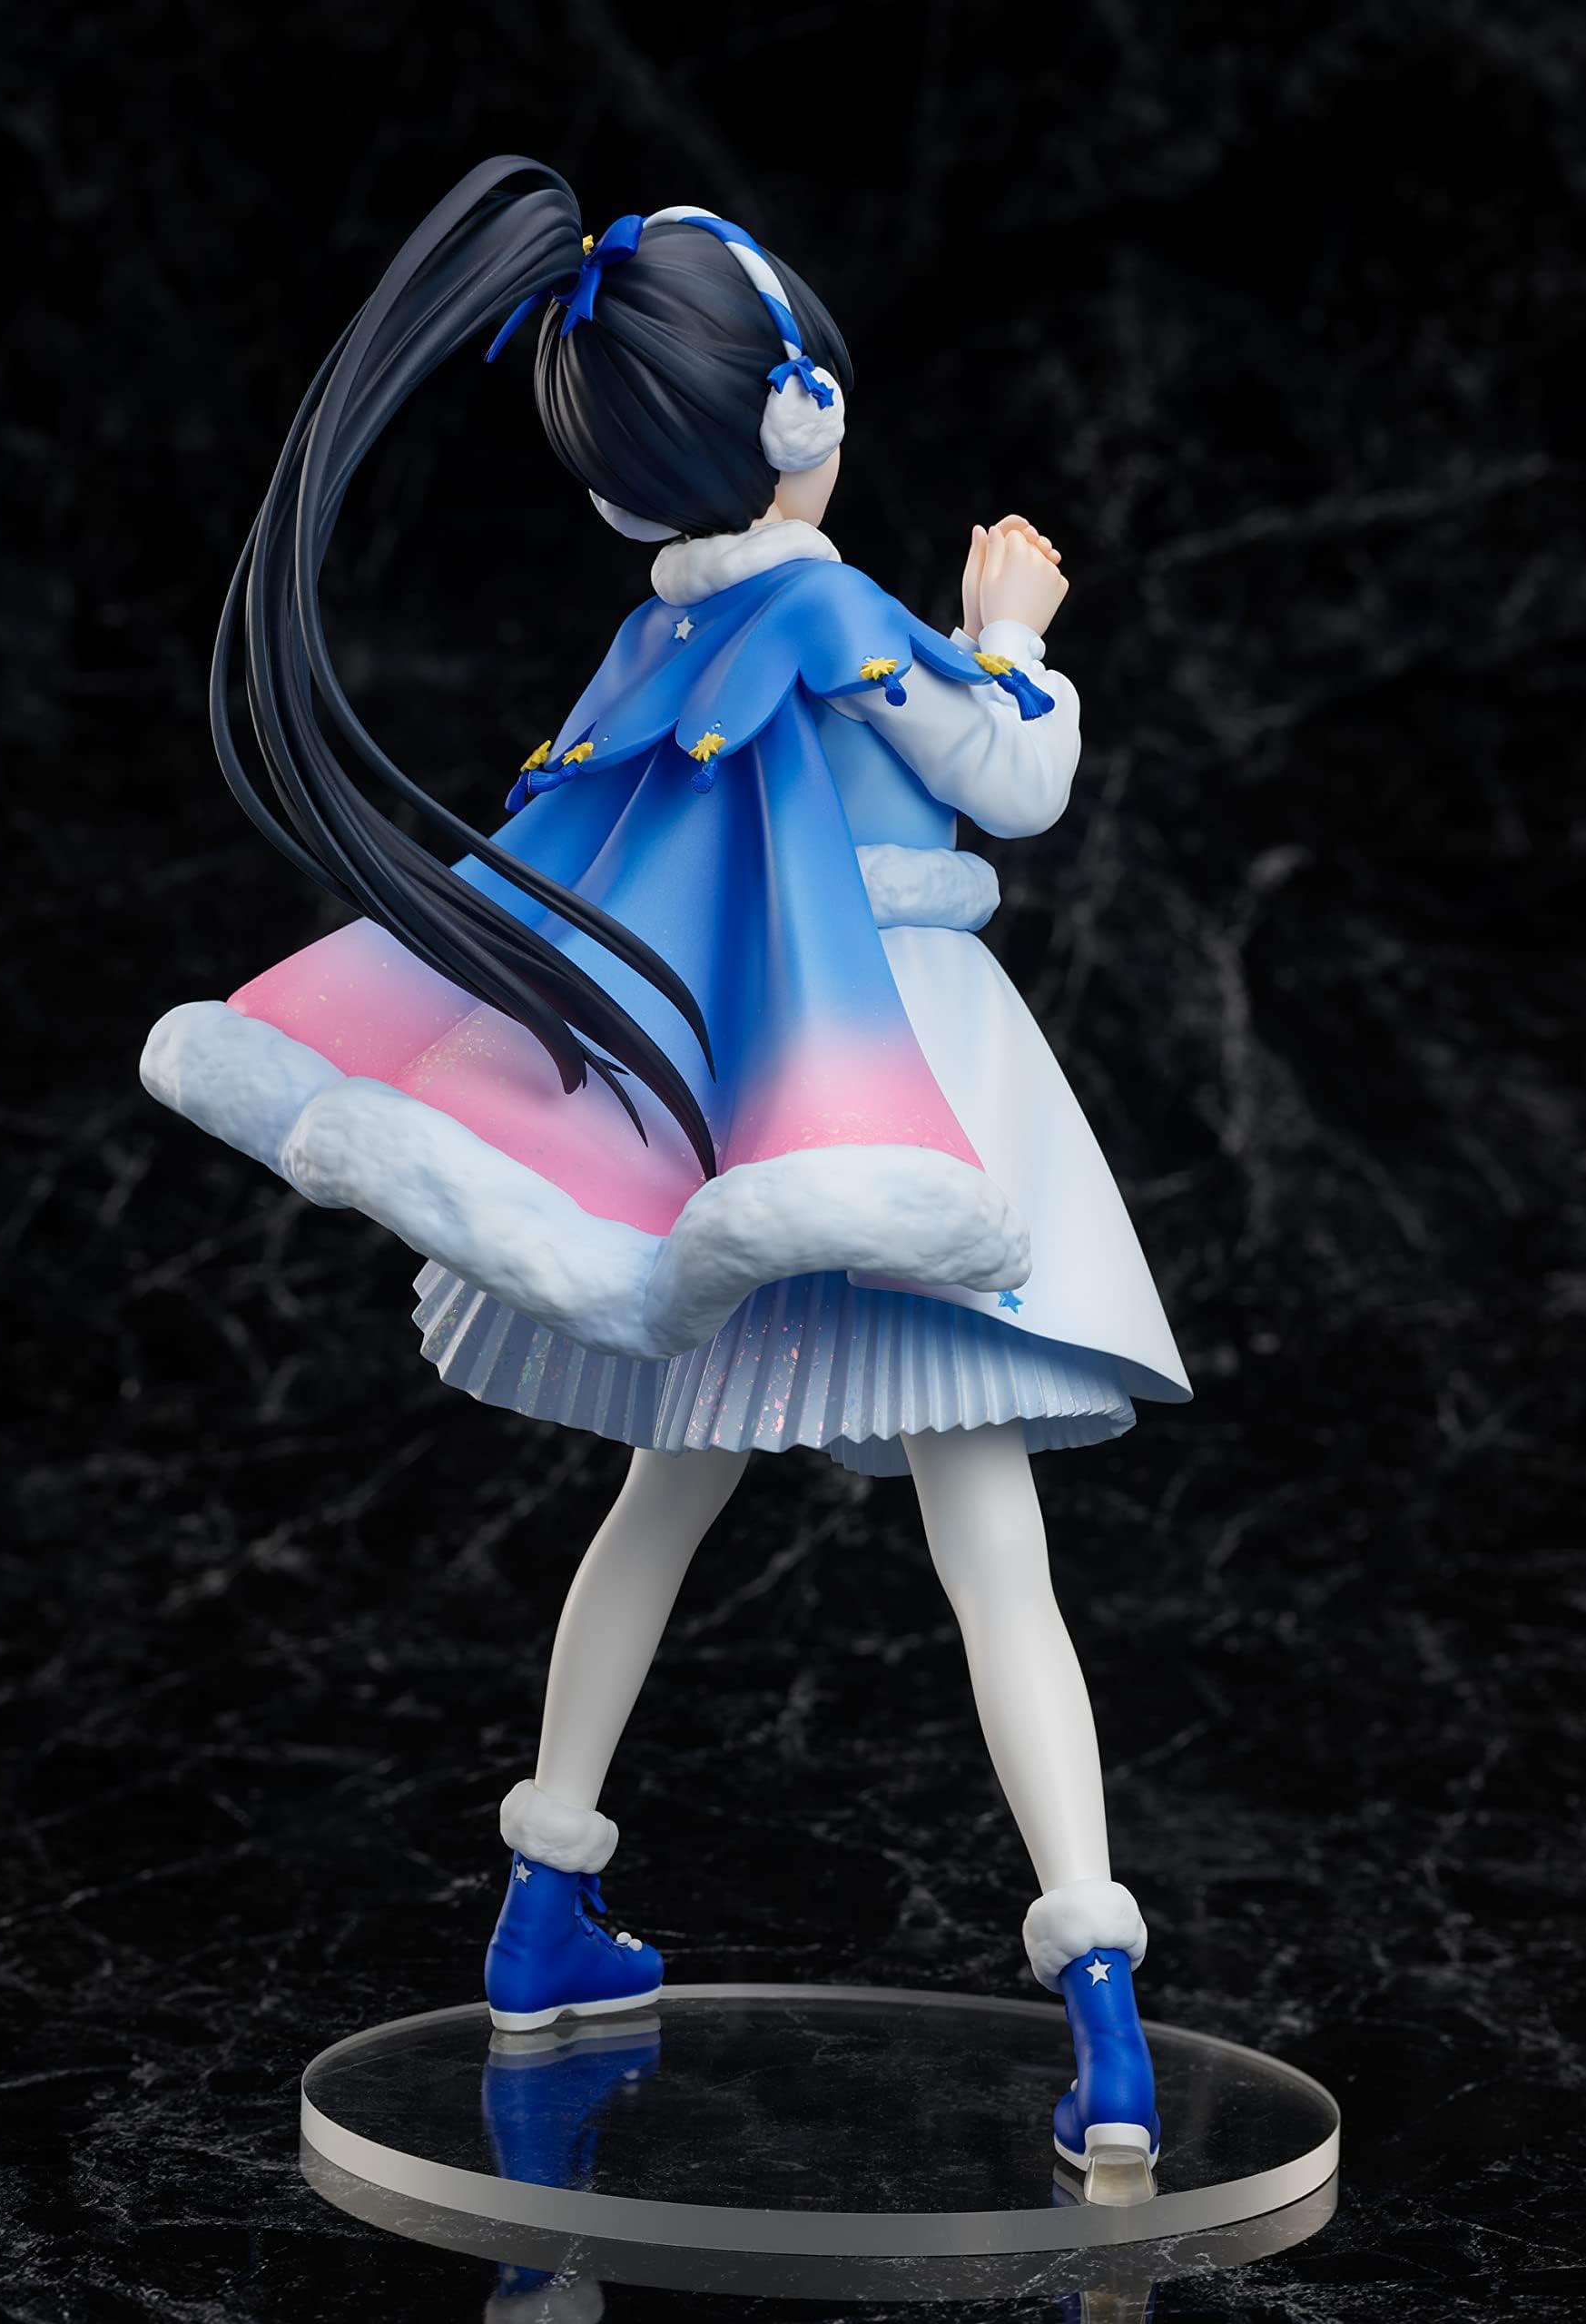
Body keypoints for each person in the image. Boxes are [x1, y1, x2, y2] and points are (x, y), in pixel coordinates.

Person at [143, 155, 1189, 2202]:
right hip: (882, 1101)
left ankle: (543, 1913)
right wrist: (1015, 638)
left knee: (660, 1495)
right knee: (992, 1557)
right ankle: (1105, 2020)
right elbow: (1018, 782)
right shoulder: (830, 607)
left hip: (719, 1112)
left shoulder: (656, 633)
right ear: (801, 407)